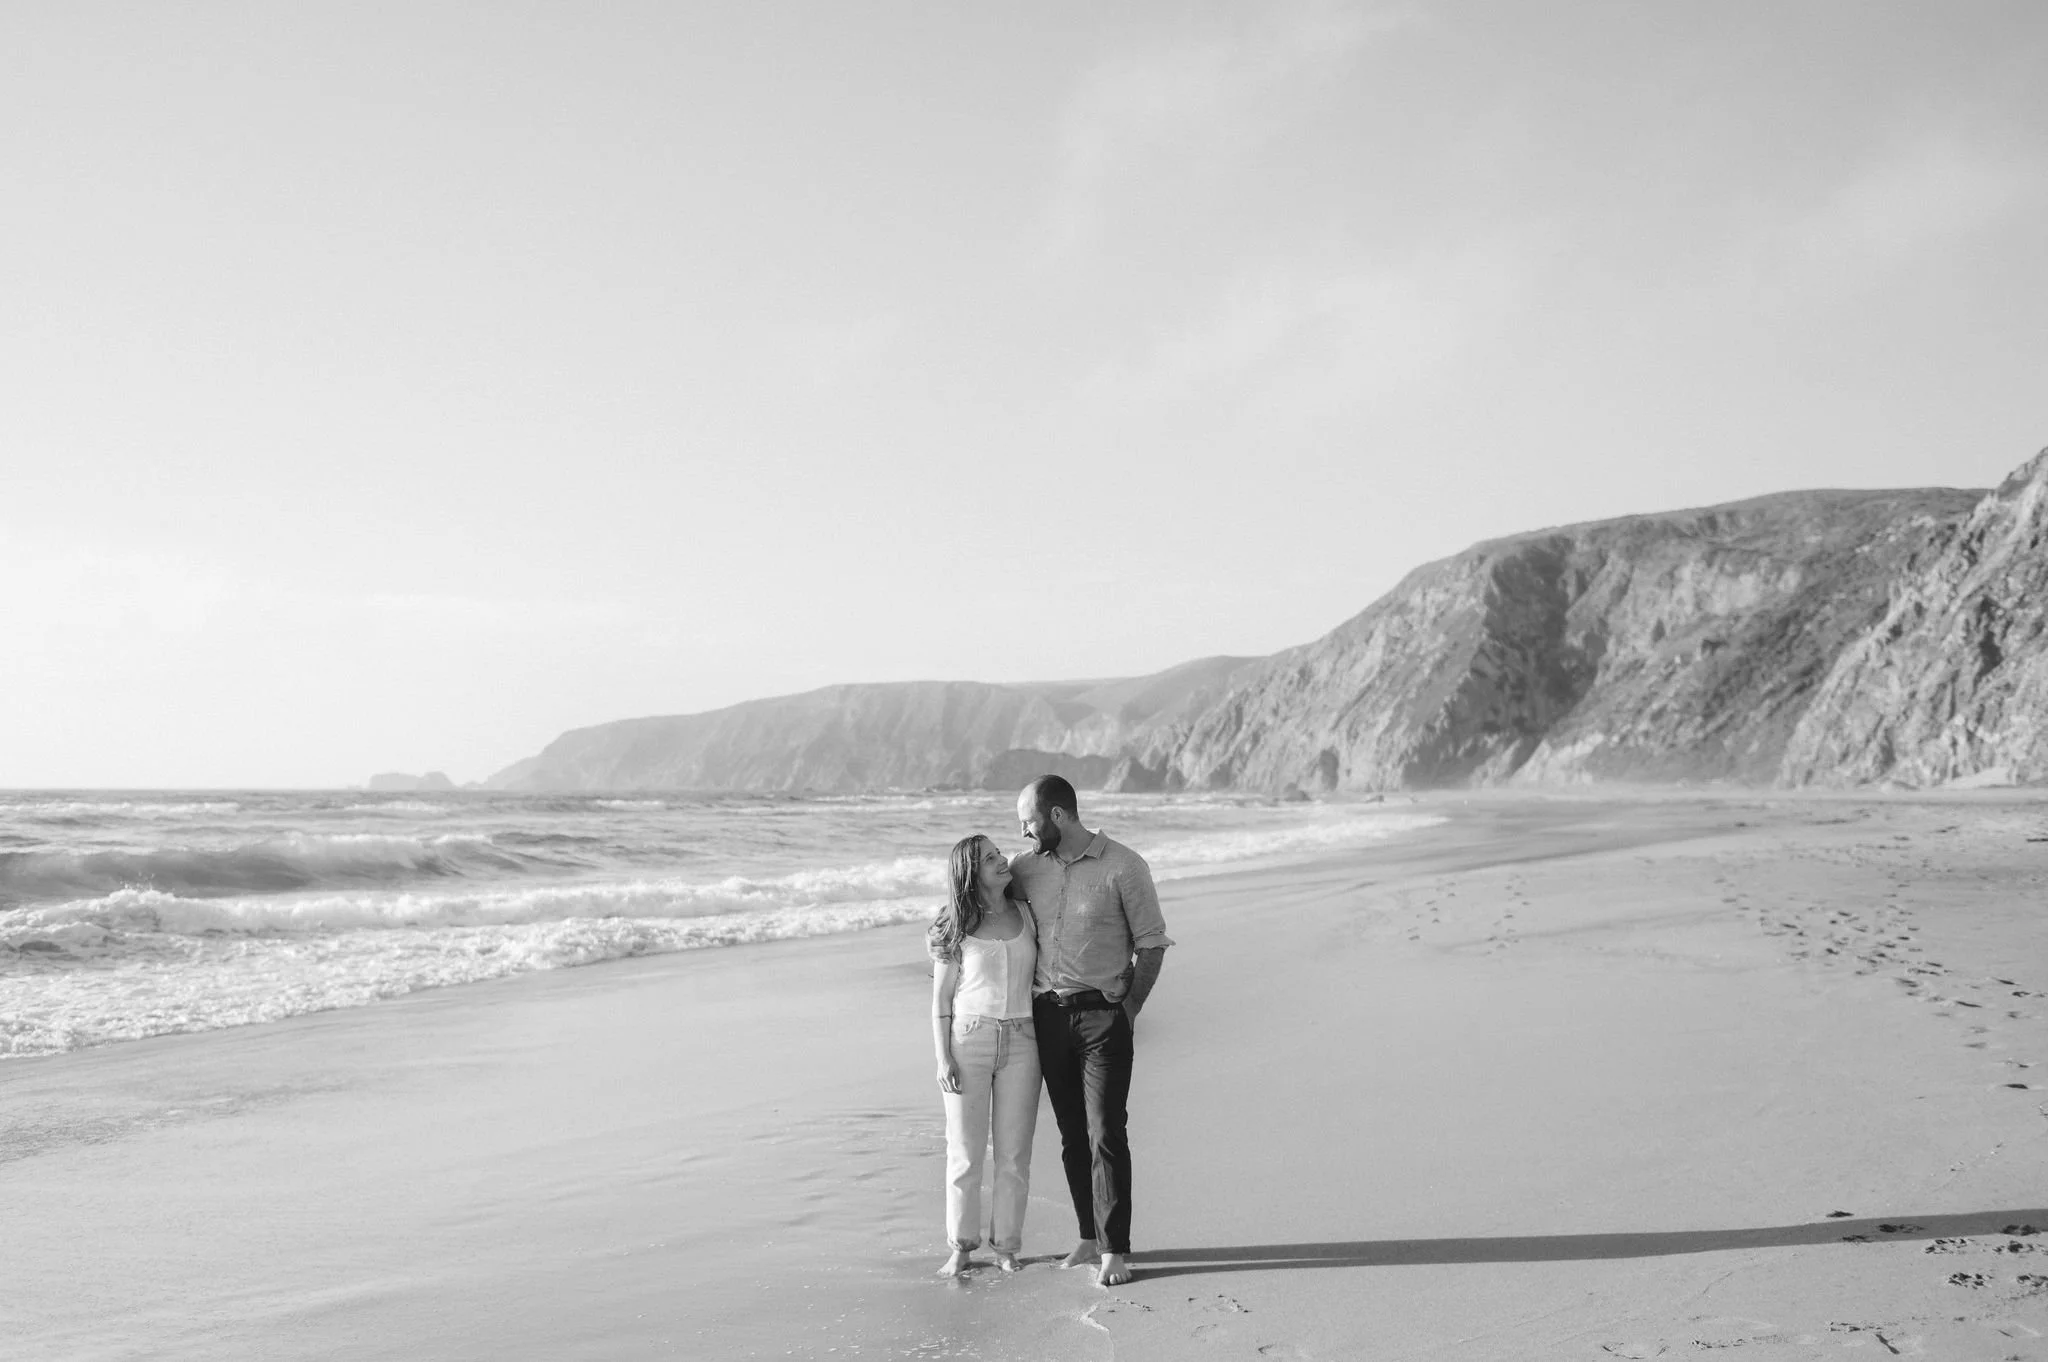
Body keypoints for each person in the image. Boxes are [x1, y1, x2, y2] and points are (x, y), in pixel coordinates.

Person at [1010, 775, 1171, 1287]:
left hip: (1104, 1017)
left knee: (1106, 1131)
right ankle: (1087, 1234)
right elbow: (983, 905)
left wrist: (1129, 1010)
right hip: (1048, 1016)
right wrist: (944, 942)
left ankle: (1114, 1249)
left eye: (1029, 822)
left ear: (1057, 815)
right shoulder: (1024, 868)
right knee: (1071, 1134)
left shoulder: (1124, 865)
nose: (1024, 832)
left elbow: (1152, 942)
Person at [928, 833, 1042, 1276]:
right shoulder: (955, 925)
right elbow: (941, 1000)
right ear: (970, 874)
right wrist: (943, 1058)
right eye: (989, 858)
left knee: (1014, 1153)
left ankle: (1007, 1248)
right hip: (968, 1041)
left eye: (998, 853)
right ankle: (961, 1247)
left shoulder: (1027, 913)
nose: (1001, 860)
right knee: (965, 1152)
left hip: (1023, 1040)